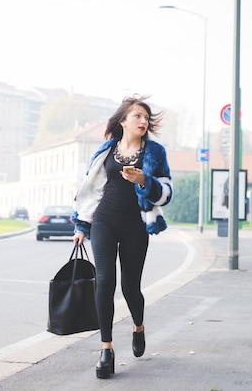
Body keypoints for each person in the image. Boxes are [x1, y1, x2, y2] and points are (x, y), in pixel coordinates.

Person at [72, 95, 173, 379]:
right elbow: (90, 190)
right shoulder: (106, 151)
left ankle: (138, 327)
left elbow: (166, 192)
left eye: (145, 117)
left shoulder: (154, 153)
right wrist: (82, 225)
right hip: (104, 221)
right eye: (137, 116)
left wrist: (145, 181)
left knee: (130, 288)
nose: (143, 121)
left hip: (135, 226)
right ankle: (106, 349)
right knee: (104, 282)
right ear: (123, 120)